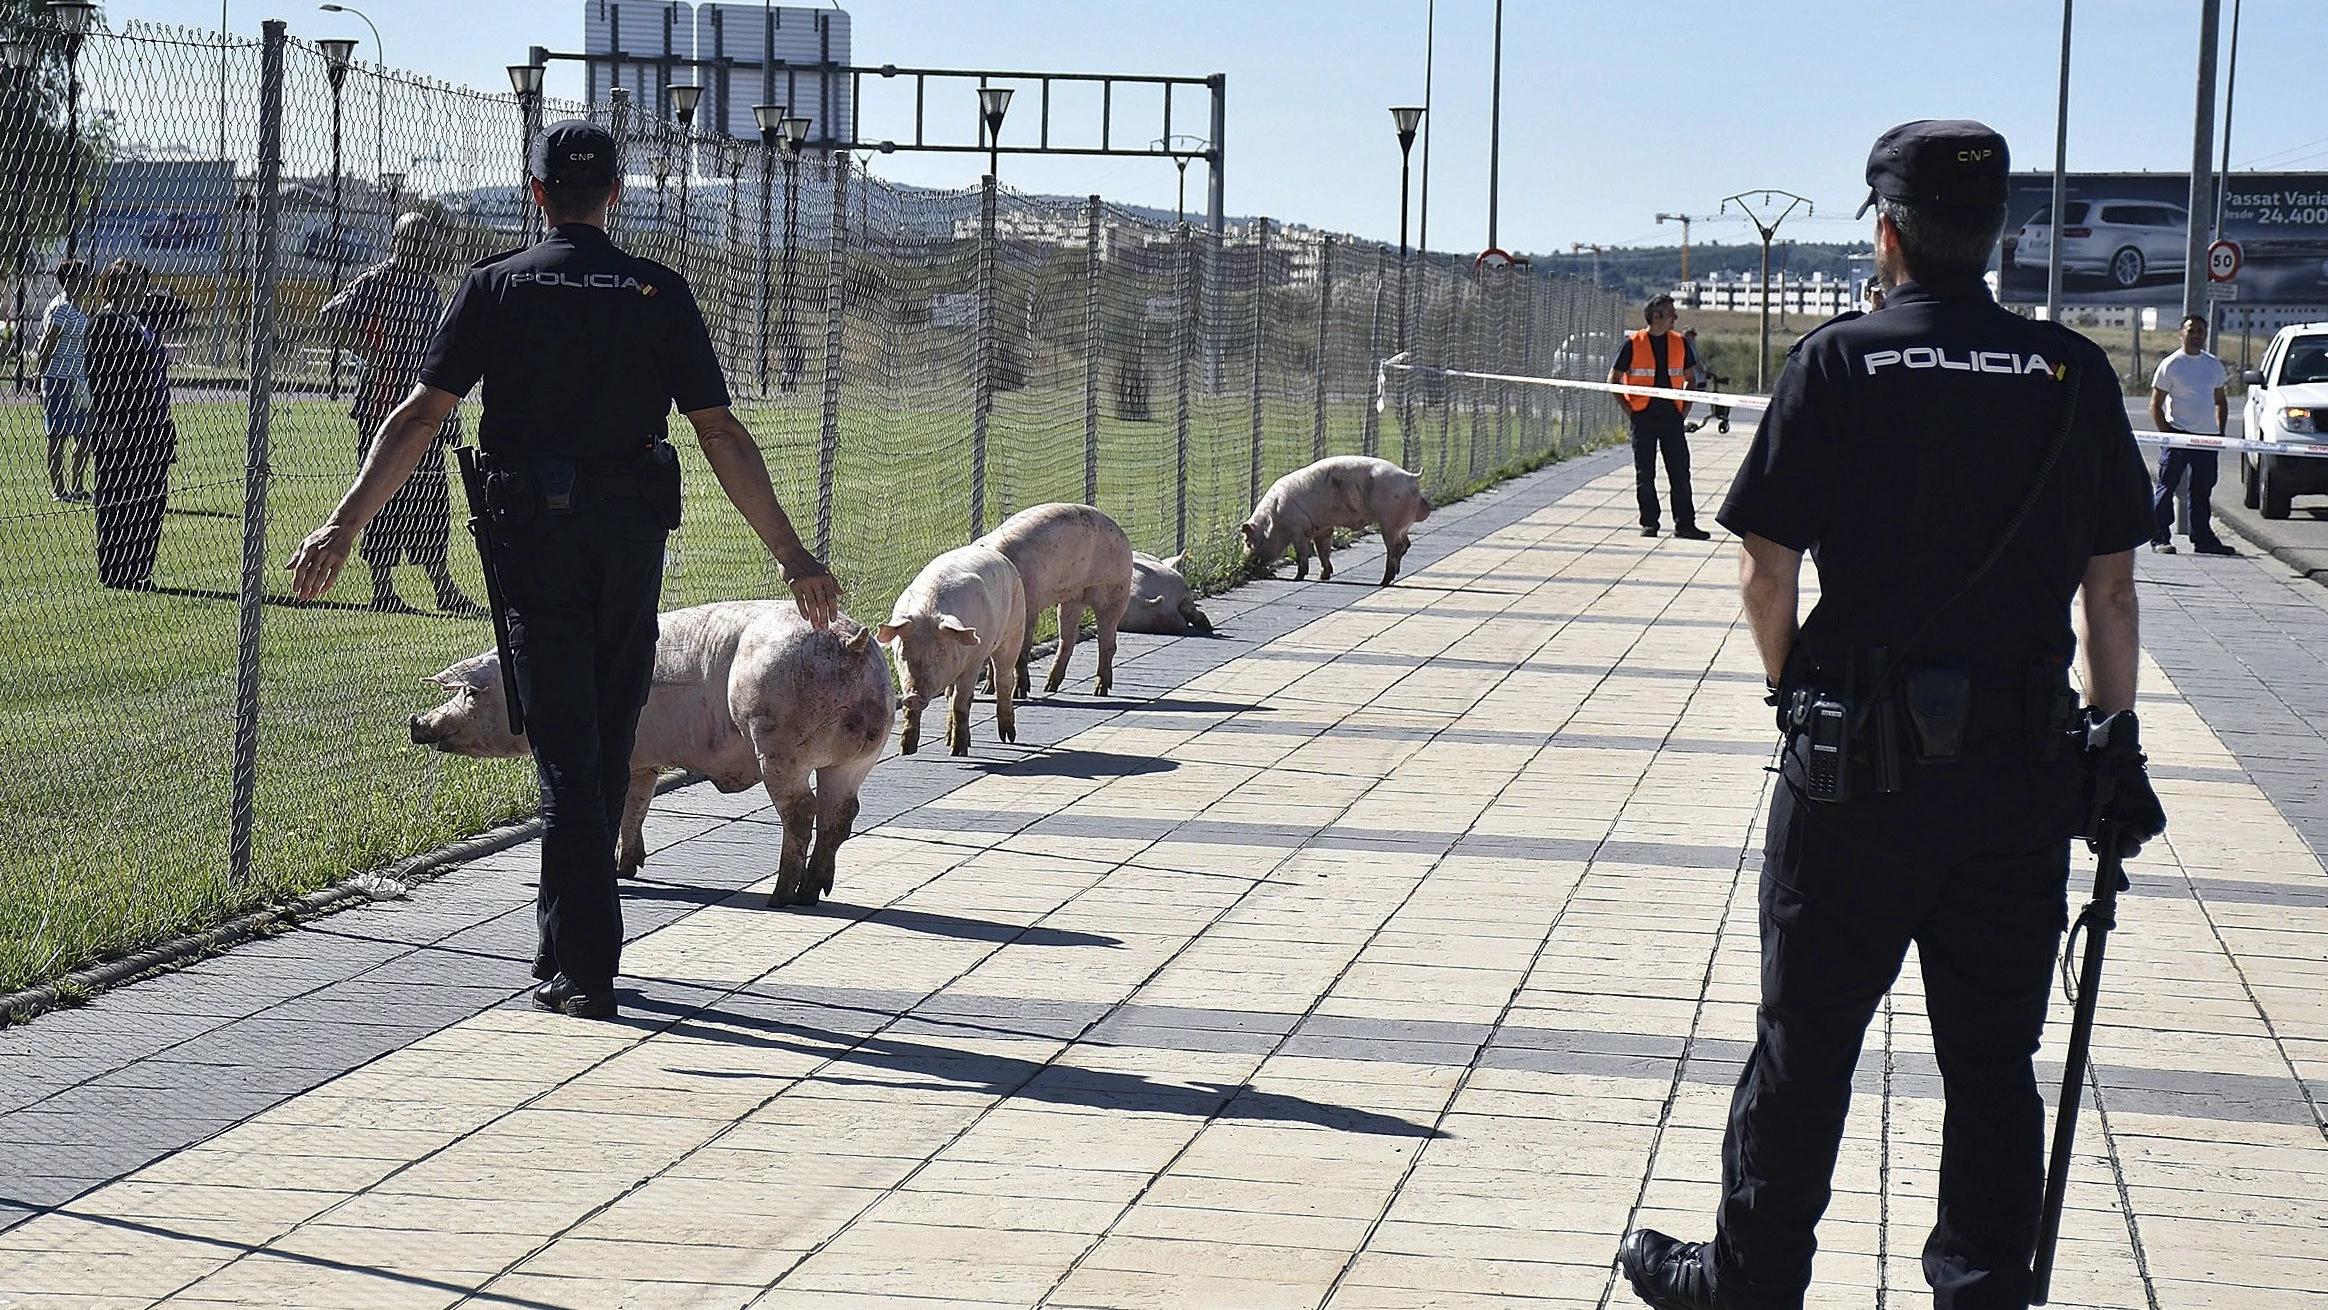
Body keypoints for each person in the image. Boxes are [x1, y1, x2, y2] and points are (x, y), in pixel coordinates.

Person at [1617, 120, 2166, 1310]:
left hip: (1853, 773)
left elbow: (1767, 569)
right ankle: (1979, 1286)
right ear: (1996, 235)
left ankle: (1753, 1280)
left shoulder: (1839, 362)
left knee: (1804, 1048)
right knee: (1991, 1061)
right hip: (2017, 776)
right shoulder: (2074, 374)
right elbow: (2111, 593)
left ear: (1887, 234)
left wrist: (1784, 692)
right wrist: (2111, 742)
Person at [285, 120, 841, 1021]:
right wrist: (793, 557)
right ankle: (566, 949)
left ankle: (582, 964)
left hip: (530, 542)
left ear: (535, 194)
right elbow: (720, 434)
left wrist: (346, 523)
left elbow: (421, 415)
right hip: (627, 546)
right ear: (615, 195)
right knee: (599, 740)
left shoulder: (497, 288)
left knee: (569, 750)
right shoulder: (658, 291)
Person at [316, 213, 483, 614]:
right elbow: (329, 317)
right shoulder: (378, 281)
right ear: (398, 241)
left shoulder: (427, 288)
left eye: (426, 241)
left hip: (428, 405)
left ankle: (441, 584)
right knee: (381, 495)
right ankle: (383, 586)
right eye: (414, 240)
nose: (422, 248)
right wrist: (369, 348)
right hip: (384, 406)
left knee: (432, 497)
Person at [84, 259, 178, 591]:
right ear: (115, 286)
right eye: (135, 286)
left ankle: (139, 569)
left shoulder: (138, 322)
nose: (142, 292)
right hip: (122, 429)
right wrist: (110, 422)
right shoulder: (105, 323)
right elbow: (101, 379)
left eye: (143, 285)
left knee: (151, 498)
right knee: (119, 496)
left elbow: (179, 308)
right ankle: (116, 570)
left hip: (151, 425)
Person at [1609, 293, 1707, 539]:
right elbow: (1614, 380)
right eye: (1671, 313)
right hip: (1643, 417)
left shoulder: (1680, 343)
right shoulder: (1633, 343)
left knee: (1680, 472)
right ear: (1656, 316)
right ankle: (1649, 523)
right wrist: (1629, 410)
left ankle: (1685, 524)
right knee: (1646, 473)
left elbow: (1690, 379)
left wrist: (1684, 409)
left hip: (1672, 417)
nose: (1675, 317)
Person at [2147, 313, 2236, 556]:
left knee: (2202, 490)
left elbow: (2220, 400)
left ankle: (2203, 539)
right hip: (2178, 434)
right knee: (2167, 488)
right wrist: (2167, 434)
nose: (2195, 335)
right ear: (2181, 333)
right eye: (2191, 330)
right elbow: (2155, 404)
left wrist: (2220, 433)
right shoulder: (2171, 364)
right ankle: (2160, 538)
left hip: (2206, 438)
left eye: (2200, 331)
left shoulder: (2212, 364)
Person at [35, 258, 94, 503]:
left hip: (77, 380)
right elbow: (47, 344)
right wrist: (40, 376)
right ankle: (59, 490)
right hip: (58, 379)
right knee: (57, 436)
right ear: (69, 281)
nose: (86, 283)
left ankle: (77, 486)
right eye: (81, 278)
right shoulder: (60, 308)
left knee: (85, 434)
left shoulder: (77, 309)